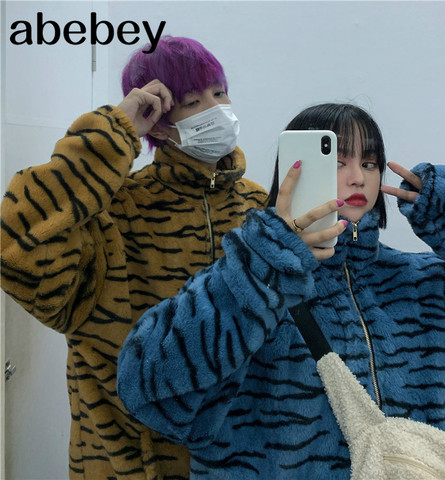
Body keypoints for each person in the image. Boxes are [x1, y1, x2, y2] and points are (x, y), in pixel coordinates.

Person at [117, 103, 445, 479]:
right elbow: (147, 390)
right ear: (293, 170)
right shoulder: (250, 283)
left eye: (369, 162)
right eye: (337, 161)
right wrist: (262, 268)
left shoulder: (427, 282)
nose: (357, 178)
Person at [0, 36, 268, 480]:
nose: (216, 109)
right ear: (158, 125)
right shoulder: (113, 213)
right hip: (129, 465)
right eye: (192, 101)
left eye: (219, 93)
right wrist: (114, 131)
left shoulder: (258, 206)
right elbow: (16, 248)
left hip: (239, 461)